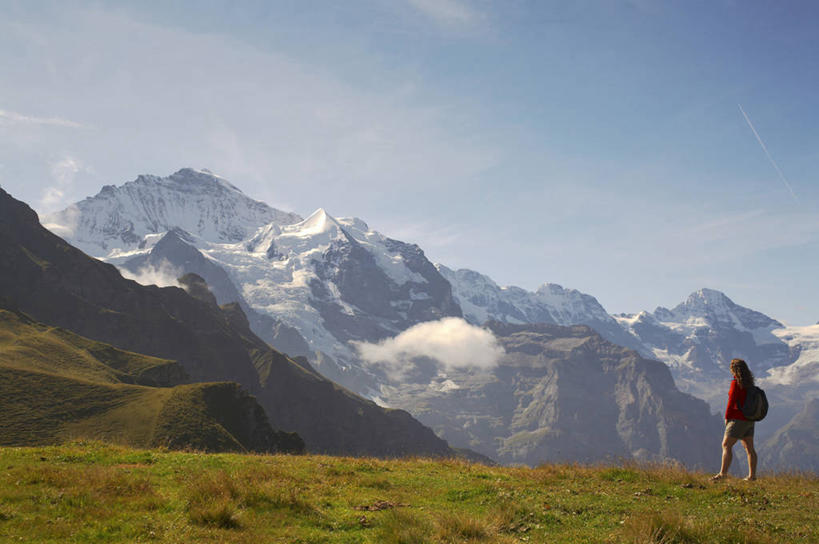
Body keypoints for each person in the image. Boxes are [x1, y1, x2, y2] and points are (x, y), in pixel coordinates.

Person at [712, 358, 758, 481]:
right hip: (749, 420)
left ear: (734, 370)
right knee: (749, 448)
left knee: (726, 445)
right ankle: (752, 476)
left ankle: (722, 474)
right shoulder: (750, 384)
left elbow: (731, 401)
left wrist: (727, 417)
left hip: (738, 419)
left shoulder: (735, 383)